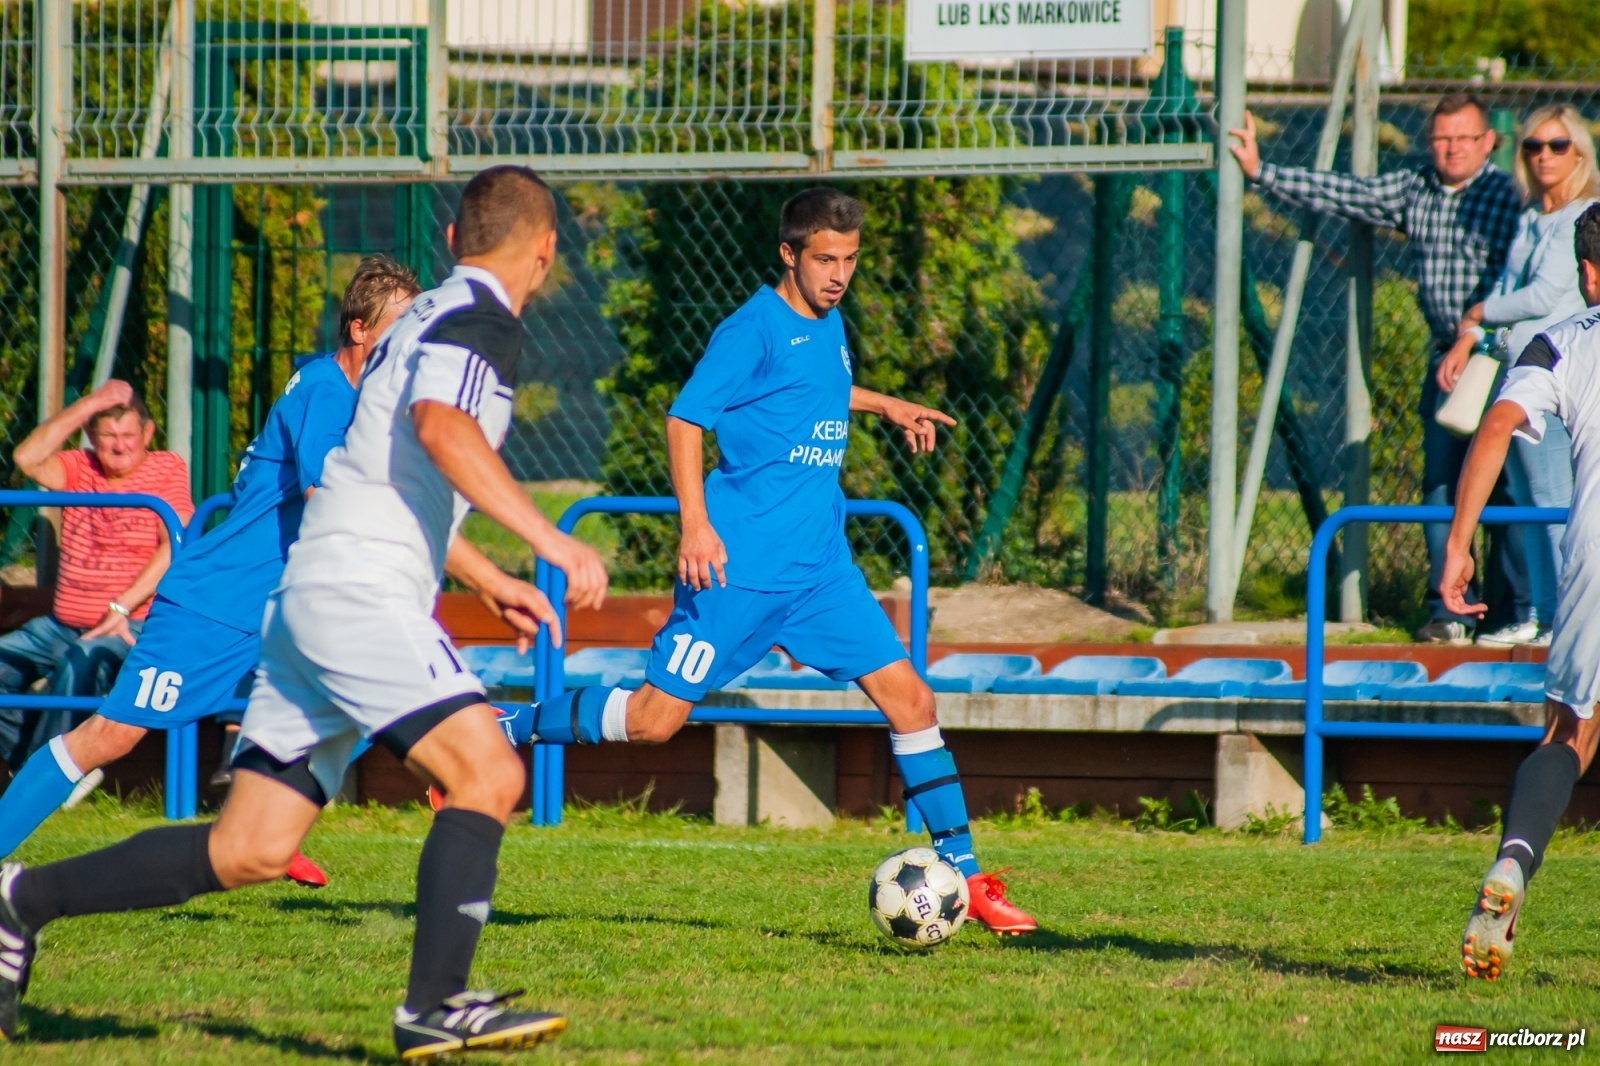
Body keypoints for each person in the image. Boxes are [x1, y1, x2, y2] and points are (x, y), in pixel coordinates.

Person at [0, 165, 608, 1054]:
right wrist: (548, 544)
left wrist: (485, 577)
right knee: (488, 774)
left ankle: (23, 901)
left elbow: (389, 469)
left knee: (249, 847)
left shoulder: (420, 318)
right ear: (546, 253)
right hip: (356, 594)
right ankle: (434, 1005)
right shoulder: (483, 322)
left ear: (449, 241)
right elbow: (442, 429)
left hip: (306, 597)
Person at [500, 188, 1037, 935]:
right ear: (788, 254)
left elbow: (814, 391)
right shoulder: (749, 330)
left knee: (912, 700)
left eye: (849, 260)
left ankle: (970, 879)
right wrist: (695, 527)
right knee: (655, 721)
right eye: (824, 259)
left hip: (820, 573)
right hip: (736, 571)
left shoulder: (829, 322)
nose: (839, 274)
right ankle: (510, 725)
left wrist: (885, 405)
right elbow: (686, 418)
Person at [0, 256, 422, 889]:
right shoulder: (327, 395)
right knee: (111, 734)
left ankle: (272, 831)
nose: (411, 340)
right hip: (217, 604)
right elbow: (325, 501)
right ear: (360, 330)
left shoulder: (348, 394)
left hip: (284, 603)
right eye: (400, 324)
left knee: (365, 703)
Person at [1230, 92, 1525, 644]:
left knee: (1507, 489)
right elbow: (1348, 192)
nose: (1452, 148)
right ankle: (1450, 609)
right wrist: (1260, 171)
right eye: (1442, 138)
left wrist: (1477, 335)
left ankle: (1512, 611)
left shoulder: (1506, 197)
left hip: (1502, 355)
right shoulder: (1416, 188)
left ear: (1488, 142)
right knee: (1440, 482)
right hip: (1447, 358)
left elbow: (1522, 283)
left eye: (1464, 137)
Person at [1443, 202, 1600, 981]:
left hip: (1592, 562)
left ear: (1589, 275)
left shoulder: (1560, 342)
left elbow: (1498, 423)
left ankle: (1512, 864)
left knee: (1570, 732)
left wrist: (1458, 540)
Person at [1438, 106, 1599, 649]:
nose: (1544, 156)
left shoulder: (1585, 214)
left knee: (1555, 497)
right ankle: (1538, 609)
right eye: (1533, 146)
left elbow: (1544, 295)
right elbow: (1513, 285)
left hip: (1558, 375)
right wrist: (1471, 337)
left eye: (1557, 146)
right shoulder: (1532, 216)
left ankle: (1561, 613)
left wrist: (1480, 313)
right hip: (1518, 370)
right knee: (1530, 500)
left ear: (1579, 153)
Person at [0, 385, 194, 767]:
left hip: (133, 622)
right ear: (91, 436)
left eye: (128, 436)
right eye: (108, 436)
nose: (120, 446)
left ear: (148, 434)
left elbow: (172, 546)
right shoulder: (80, 467)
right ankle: (31, 765)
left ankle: (50, 774)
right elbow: (27, 457)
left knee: (82, 659)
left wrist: (119, 609)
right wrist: (91, 403)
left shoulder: (165, 468)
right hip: (62, 623)